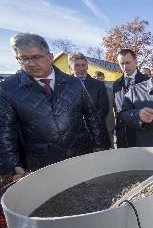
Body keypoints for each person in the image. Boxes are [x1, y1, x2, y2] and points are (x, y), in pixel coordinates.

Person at [0, 33, 107, 183]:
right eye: (23, 58)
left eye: (36, 57)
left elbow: (91, 115)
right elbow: (4, 129)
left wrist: (100, 144)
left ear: (50, 57)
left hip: (80, 154)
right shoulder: (7, 89)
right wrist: (12, 164)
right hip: (41, 163)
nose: (30, 63)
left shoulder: (74, 83)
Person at [69, 52, 111, 149]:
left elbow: (103, 109)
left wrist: (86, 125)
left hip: (96, 135)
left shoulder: (98, 85)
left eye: (83, 65)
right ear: (71, 67)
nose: (81, 68)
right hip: (73, 137)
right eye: (77, 65)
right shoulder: (64, 85)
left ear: (87, 66)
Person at [114, 49, 149, 148]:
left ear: (136, 61)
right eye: (122, 64)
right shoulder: (116, 84)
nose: (125, 67)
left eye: (128, 63)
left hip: (142, 135)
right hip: (122, 136)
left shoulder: (148, 82)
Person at [92, 71, 116, 148]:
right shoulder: (88, 91)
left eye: (101, 79)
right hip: (94, 125)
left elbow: (115, 107)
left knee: (110, 145)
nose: (100, 81)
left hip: (109, 123)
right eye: (97, 79)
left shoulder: (110, 91)